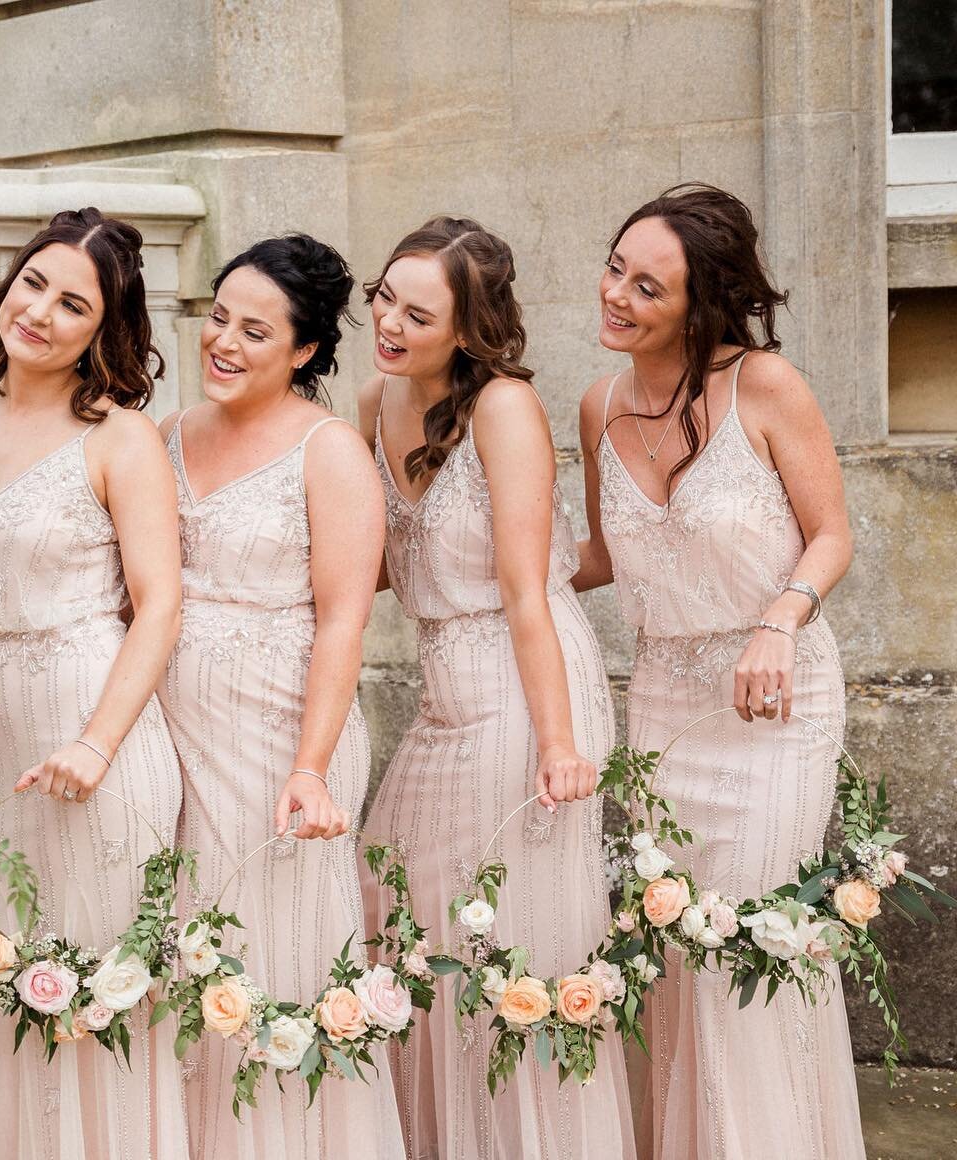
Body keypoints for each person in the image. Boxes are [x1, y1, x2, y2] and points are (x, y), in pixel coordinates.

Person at [573, 183, 863, 1159]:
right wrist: (486, 571)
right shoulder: (597, 404)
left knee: (748, 944)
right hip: (662, 712)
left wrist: (782, 619)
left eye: (645, 284)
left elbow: (831, 535)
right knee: (676, 961)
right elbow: (603, 558)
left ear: (701, 303)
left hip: (776, 700)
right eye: (616, 266)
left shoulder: (768, 386)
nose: (616, 293)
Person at [357, 216, 634, 1159]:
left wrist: (560, 746)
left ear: (469, 332)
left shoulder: (504, 408)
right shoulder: (374, 405)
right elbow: (382, 567)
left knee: (506, 934)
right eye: (383, 297)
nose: (390, 324)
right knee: (400, 900)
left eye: (417, 313)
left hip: (528, 681)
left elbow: (525, 591)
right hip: (445, 683)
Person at [0, 208, 187, 1160]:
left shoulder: (119, 437)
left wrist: (97, 742)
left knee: (95, 1009)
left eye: (72, 303)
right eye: (33, 283)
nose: (39, 311)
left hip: (99, 742)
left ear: (105, 333)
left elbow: (159, 605)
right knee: (4, 989)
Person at [156, 234, 404, 1159]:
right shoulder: (167, 433)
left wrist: (310, 766)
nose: (224, 342)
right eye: (218, 318)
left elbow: (345, 620)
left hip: (281, 736)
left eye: (255, 331)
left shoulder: (329, 450)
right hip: (175, 728)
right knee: (185, 956)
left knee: (270, 965)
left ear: (303, 350)